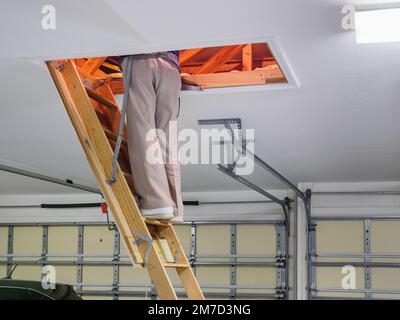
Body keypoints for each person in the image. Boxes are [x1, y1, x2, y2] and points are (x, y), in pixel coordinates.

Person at [120, 51, 183, 223]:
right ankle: (174, 207)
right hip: (171, 68)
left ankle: (155, 203)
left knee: (143, 132)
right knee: (168, 141)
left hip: (140, 61)